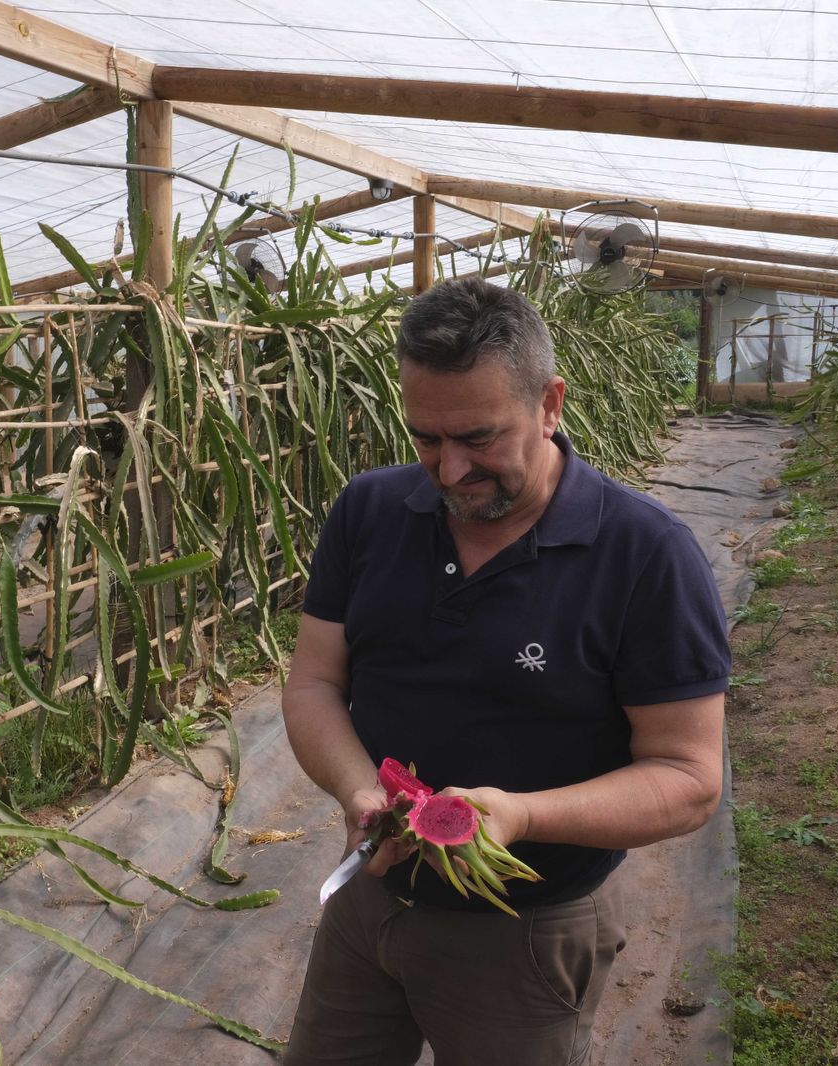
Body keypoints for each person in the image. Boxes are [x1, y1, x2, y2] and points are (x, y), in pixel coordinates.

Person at [280, 277, 729, 1066]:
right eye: (426, 438)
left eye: (480, 438)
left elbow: (689, 778)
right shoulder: (369, 509)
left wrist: (518, 816)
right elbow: (314, 681)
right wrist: (359, 791)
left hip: (525, 929)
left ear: (550, 404)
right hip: (367, 897)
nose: (449, 471)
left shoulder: (645, 555)